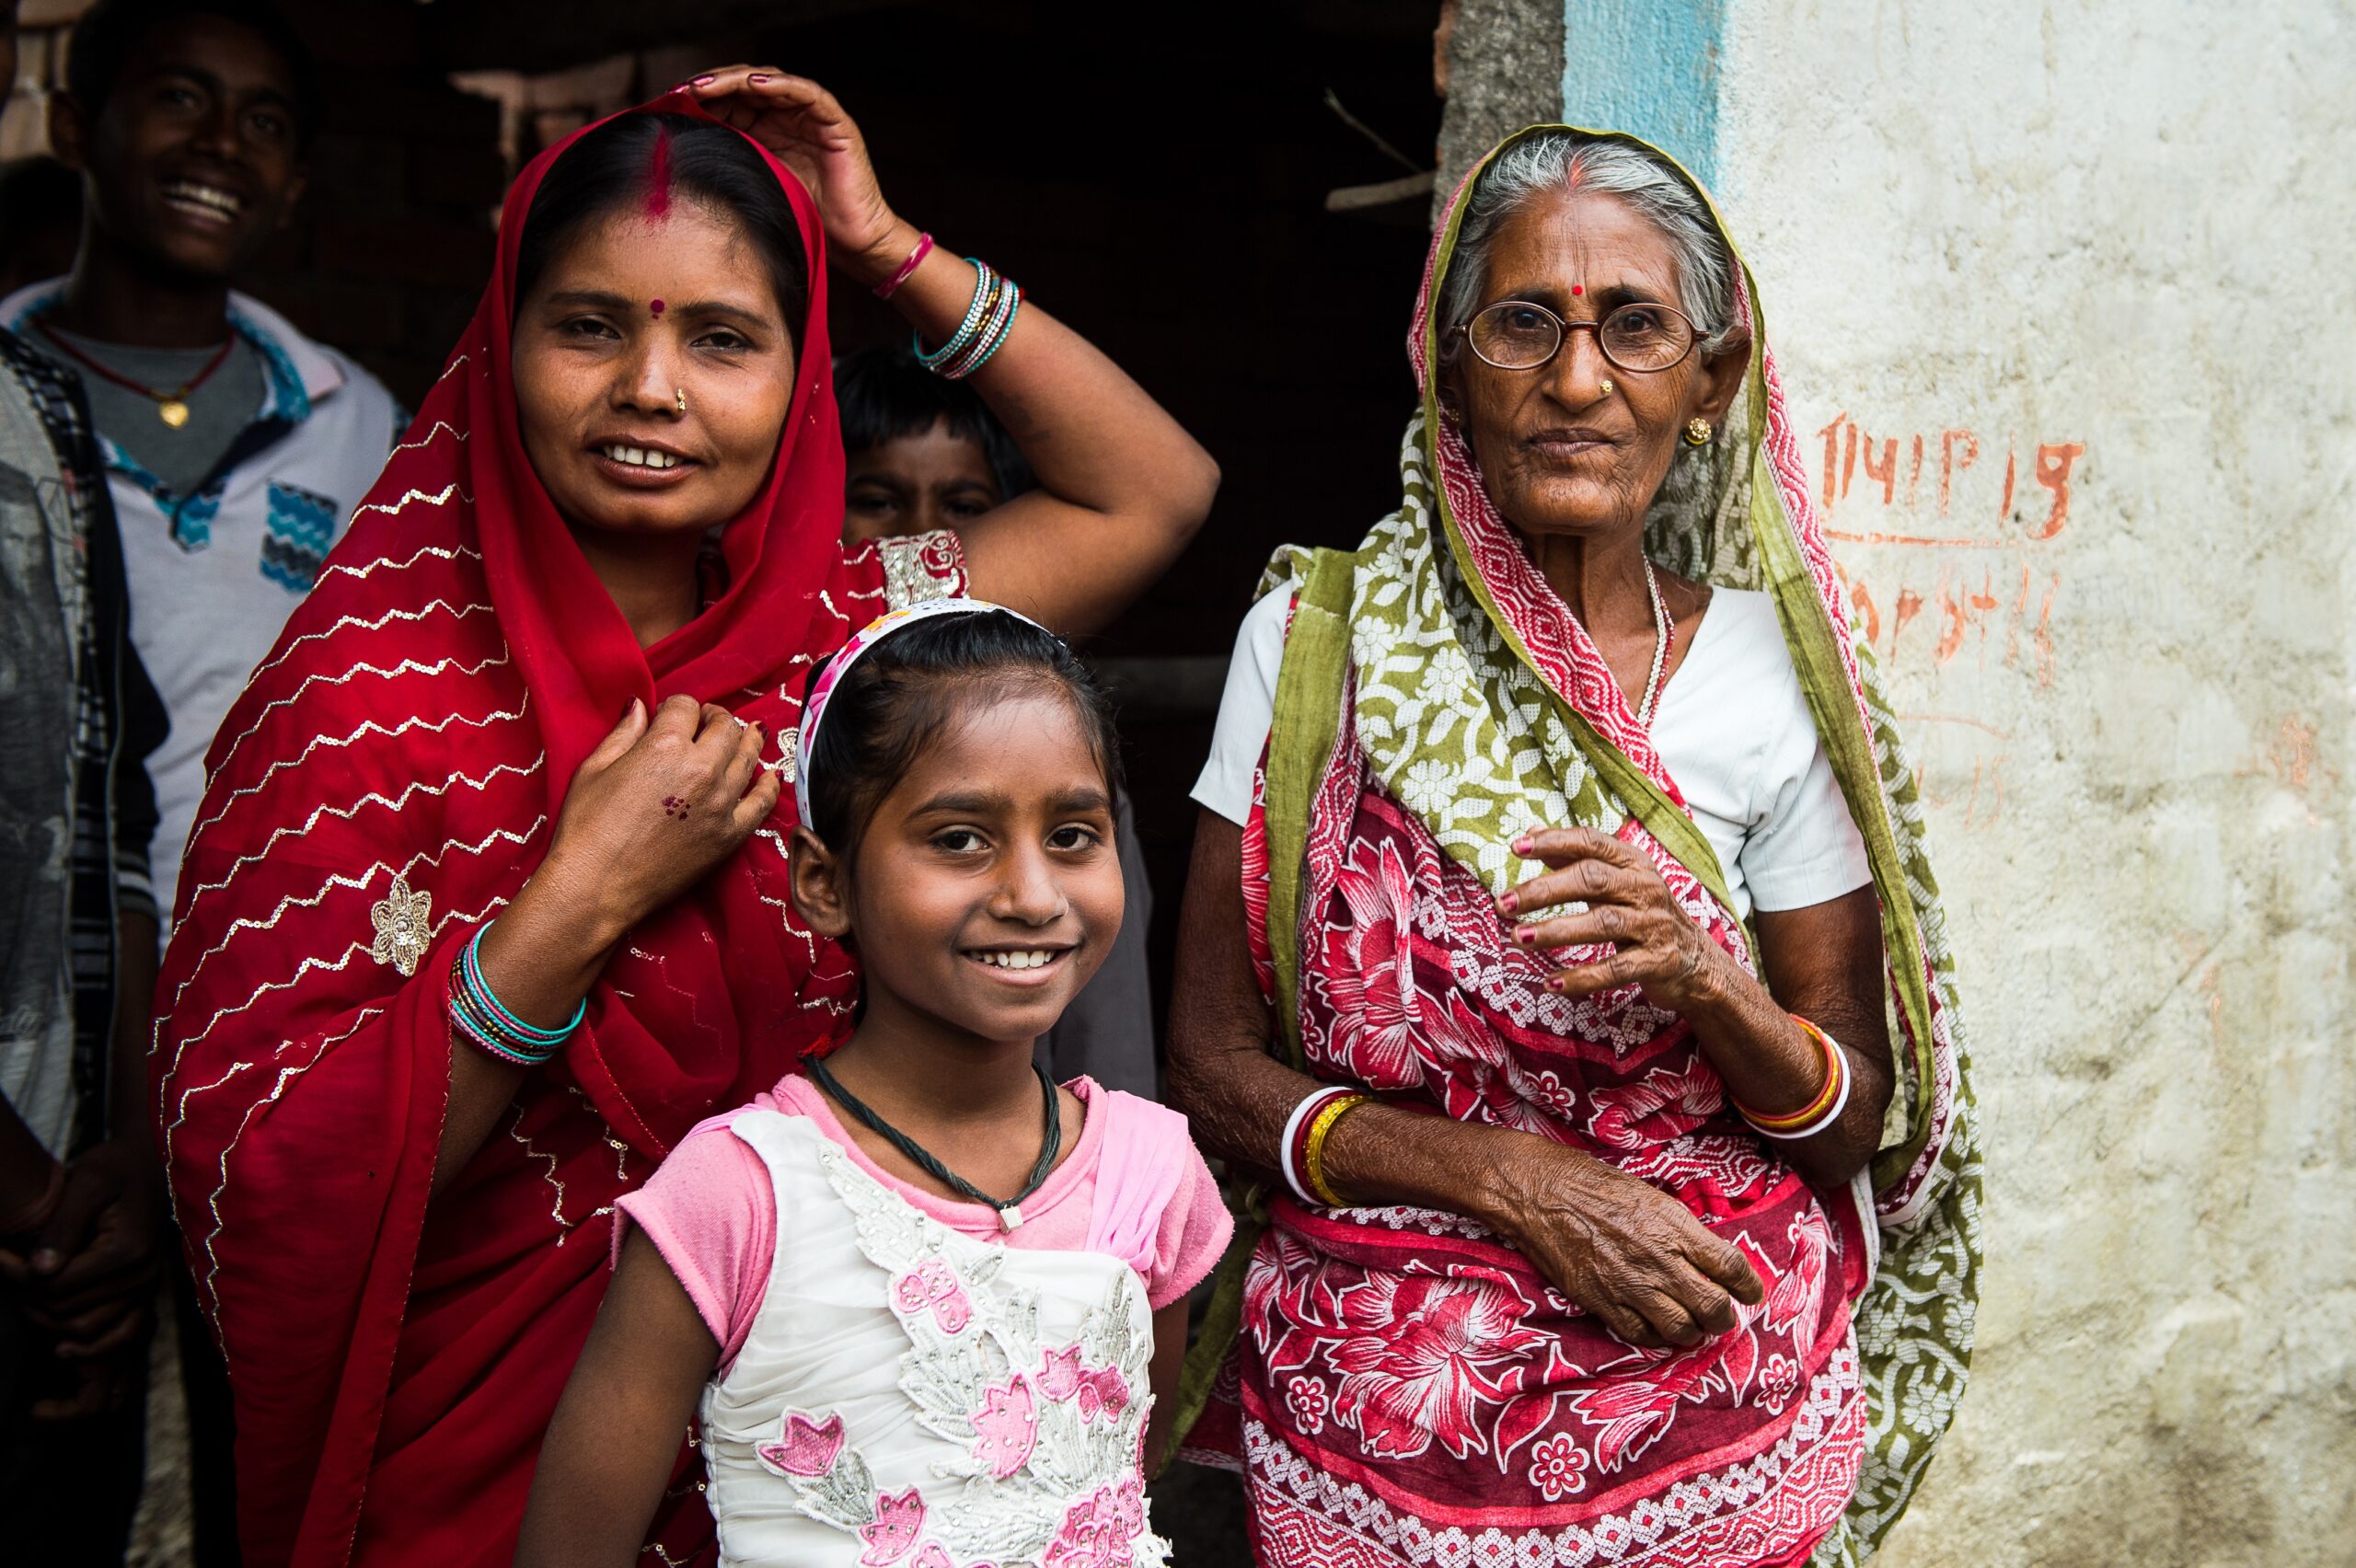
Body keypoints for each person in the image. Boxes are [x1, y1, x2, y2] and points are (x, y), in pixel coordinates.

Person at [153, 68, 1217, 1568]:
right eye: (591, 324)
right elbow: (263, 1191)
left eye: (724, 338)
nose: (651, 386)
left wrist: (884, 244)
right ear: (501, 338)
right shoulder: (360, 696)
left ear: (800, 375)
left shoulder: (846, 649)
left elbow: (1151, 492)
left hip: (833, 1454)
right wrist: (579, 900)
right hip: (487, 1478)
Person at [1164, 127, 1982, 1565]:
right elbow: (1215, 1073)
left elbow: (1852, 1114)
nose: (1578, 380)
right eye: (1524, 322)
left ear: (1712, 383)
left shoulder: (1776, 680)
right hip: (1373, 1403)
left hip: (1704, 1384)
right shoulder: (1317, 648)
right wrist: (1523, 1187)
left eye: (1636, 328)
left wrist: (1705, 979)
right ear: (1450, 365)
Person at [516, 602, 1230, 1568]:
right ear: (824, 883)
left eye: (1071, 835)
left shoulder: (1153, 1169)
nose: (1030, 895)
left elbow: (1119, 1479)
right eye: (958, 839)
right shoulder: (739, 1194)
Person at [5, 0, 406, 927]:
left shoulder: (363, 426)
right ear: (76, 129)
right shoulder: (4, 401)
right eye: (181, 98)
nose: (222, 143)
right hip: (34, 976)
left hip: (274, 976)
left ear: (295, 183)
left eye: (263, 122)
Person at [837, 344, 1158, 1099]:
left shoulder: (1067, 783)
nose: (921, 538)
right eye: (879, 500)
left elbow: (1108, 1048)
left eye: (964, 511)